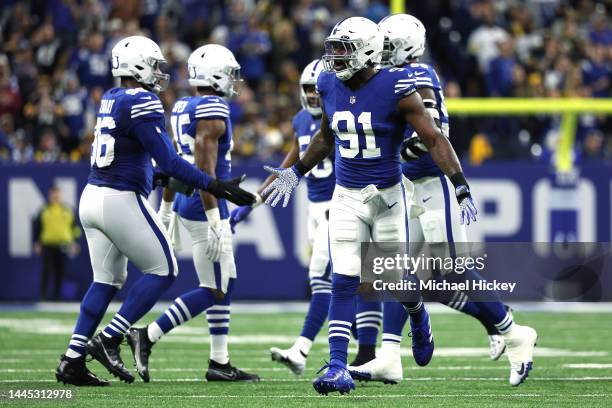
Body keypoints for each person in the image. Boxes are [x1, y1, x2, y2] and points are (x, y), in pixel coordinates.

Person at [262, 16, 473, 394]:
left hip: (389, 197)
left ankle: (418, 315)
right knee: (345, 278)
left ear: (367, 51)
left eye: (343, 49)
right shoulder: (328, 82)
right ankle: (338, 366)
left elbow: (433, 138)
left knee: (394, 282)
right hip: (346, 195)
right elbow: (325, 138)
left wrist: (459, 185)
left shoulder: (397, 85)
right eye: (333, 48)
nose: (335, 57)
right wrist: (294, 173)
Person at [54, 36, 255, 387]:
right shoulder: (145, 101)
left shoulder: (110, 98)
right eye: (155, 65)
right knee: (164, 270)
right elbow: (169, 161)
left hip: (92, 195)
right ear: (138, 65)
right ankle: (112, 337)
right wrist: (214, 186)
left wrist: (166, 193)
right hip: (120, 198)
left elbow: (149, 159)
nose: (159, 73)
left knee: (105, 281)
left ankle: (72, 360)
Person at [349, 13, 536, 388]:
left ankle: (513, 331)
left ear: (405, 47)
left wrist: (397, 154)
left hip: (432, 186)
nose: (380, 51)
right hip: (407, 186)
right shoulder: (392, 77)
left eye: (387, 44)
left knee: (451, 272)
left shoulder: (417, 76)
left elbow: (430, 135)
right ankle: (388, 355)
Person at [126, 44, 259, 383]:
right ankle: (148, 335)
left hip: (188, 199)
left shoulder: (184, 104)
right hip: (205, 203)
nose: (233, 80)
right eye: (228, 73)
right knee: (214, 287)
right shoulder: (213, 107)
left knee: (223, 281)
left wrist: (167, 210)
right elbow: (203, 168)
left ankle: (220, 361)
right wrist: (216, 221)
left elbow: (178, 165)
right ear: (214, 74)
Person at [230, 59, 336, 375]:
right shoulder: (302, 120)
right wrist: (253, 201)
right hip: (315, 208)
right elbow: (290, 164)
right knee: (342, 283)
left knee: (321, 278)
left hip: (341, 206)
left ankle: (301, 350)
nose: (314, 96)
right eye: (308, 90)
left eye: (318, 90)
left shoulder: (341, 117)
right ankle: (365, 350)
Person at [33, 185, 81, 301]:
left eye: (57, 193)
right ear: (50, 195)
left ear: (60, 195)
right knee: (47, 271)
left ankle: (57, 297)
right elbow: (37, 227)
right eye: (53, 193)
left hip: (63, 245)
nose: (55, 196)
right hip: (47, 245)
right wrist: (36, 242)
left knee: (60, 271)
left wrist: (75, 242)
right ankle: (43, 296)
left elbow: (75, 228)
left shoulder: (67, 210)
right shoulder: (44, 210)